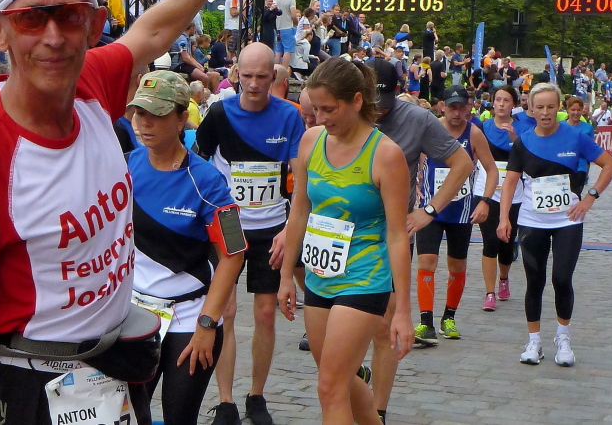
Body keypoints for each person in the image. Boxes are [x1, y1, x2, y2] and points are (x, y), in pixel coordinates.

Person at [0, 0, 251, 425]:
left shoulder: (91, 85)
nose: (54, 37)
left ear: (94, 26)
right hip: (34, 384)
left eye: (70, 17)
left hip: (119, 369)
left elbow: (151, 32)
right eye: (30, 19)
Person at [277, 58, 413, 424]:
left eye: (329, 109)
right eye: (315, 110)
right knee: (340, 379)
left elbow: (397, 235)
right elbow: (299, 211)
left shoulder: (386, 154)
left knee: (330, 388)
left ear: (356, 100)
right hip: (319, 276)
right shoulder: (311, 141)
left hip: (364, 278)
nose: (320, 118)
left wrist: (402, 309)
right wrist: (287, 274)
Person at [195, 42, 305, 425]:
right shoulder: (219, 113)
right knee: (224, 312)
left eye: (261, 77)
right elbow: (196, 165)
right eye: (247, 76)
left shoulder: (289, 116)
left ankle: (256, 396)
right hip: (229, 225)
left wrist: (290, 228)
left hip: (272, 226)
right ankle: (226, 402)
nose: (254, 84)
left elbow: (301, 181)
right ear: (236, 74)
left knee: (265, 313)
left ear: (274, 76)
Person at [127, 70, 245, 425]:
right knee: (129, 415)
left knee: (180, 417)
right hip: (134, 317)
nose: (144, 123)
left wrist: (207, 322)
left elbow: (234, 255)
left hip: (189, 319)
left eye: (157, 114)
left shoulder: (208, 181)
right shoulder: (125, 165)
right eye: (139, 112)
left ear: (182, 118)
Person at [366, 58, 472, 422]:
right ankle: (354, 375)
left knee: (384, 325)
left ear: (398, 92)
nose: (376, 110)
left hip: (391, 236)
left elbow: (463, 164)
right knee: (329, 333)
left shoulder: (417, 119)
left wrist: (429, 210)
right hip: (343, 235)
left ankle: (378, 411)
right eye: (370, 101)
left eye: (383, 102)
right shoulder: (344, 112)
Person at [498, 82, 612, 367]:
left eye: (551, 107)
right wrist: (503, 218)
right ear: (530, 108)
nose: (545, 112)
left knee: (562, 279)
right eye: (539, 107)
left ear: (559, 108)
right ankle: (534, 341)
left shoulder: (575, 137)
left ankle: (563, 338)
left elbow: (610, 165)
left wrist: (589, 198)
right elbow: (510, 182)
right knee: (534, 281)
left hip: (568, 220)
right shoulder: (523, 141)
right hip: (532, 220)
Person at [413, 86, 498, 345]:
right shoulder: (430, 129)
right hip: (430, 210)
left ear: (469, 108)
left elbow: (492, 170)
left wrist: (485, 201)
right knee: (426, 261)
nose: (457, 113)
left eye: (462, 107)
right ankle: (425, 322)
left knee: (457, 265)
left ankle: (449, 317)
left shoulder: (474, 133)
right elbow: (412, 158)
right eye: (452, 107)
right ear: (442, 107)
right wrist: (414, 185)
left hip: (461, 211)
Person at [476, 85, 525, 311]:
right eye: (498, 100)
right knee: (490, 241)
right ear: (492, 103)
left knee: (506, 241)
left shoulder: (524, 128)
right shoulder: (482, 127)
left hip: (513, 192)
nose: (502, 104)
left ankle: (504, 278)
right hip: (486, 191)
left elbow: (528, 158)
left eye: (506, 100)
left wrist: (515, 139)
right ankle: (489, 292)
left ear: (513, 104)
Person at [561, 96, 595, 196]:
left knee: (575, 196)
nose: (576, 113)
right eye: (573, 110)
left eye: (578, 110)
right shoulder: (559, 126)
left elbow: (590, 150)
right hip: (561, 166)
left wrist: (587, 169)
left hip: (580, 167)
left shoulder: (588, 128)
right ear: (567, 109)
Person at [274, 0, 296, 68]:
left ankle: (276, 68)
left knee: (278, 50)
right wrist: (296, 22)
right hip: (287, 27)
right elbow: (293, 15)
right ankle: (284, 68)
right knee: (287, 50)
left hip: (278, 27)